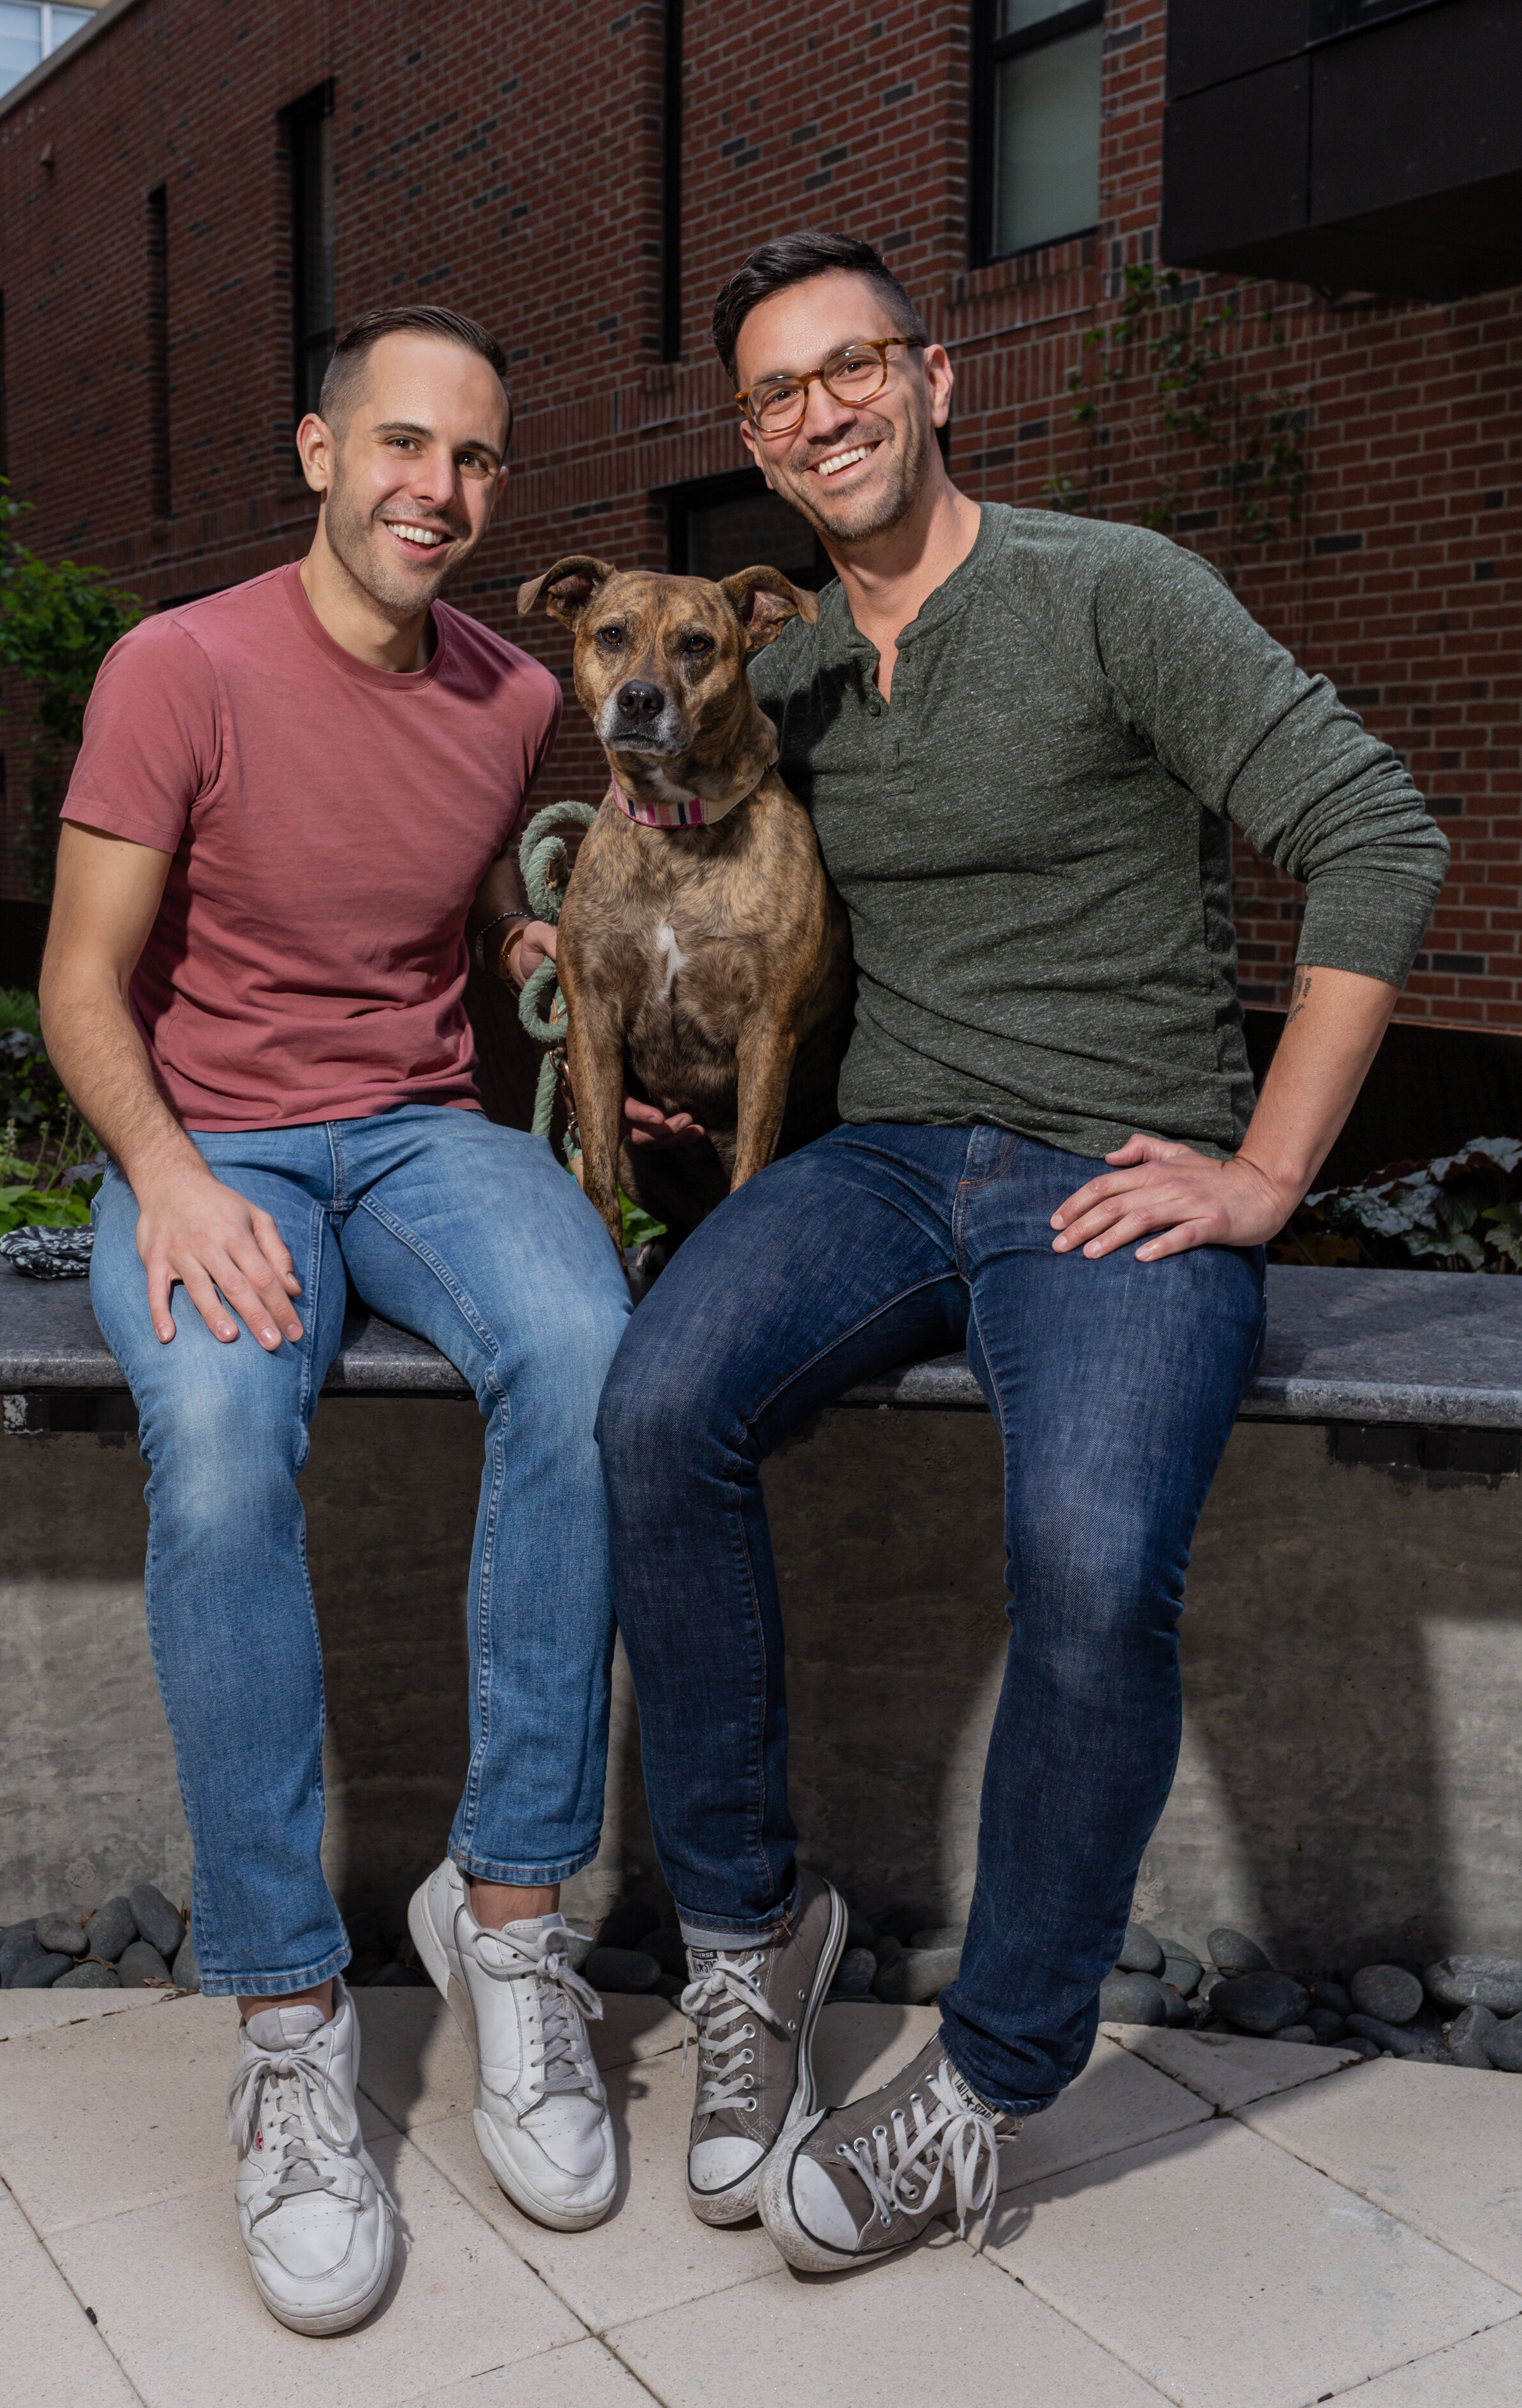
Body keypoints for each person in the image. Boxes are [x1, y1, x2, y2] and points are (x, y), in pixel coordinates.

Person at [595, 233, 1449, 2271]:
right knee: (650, 1410)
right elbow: (712, 881)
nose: (823, 411)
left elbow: (1378, 835)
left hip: (1108, 1173)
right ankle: (746, 1939)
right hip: (878, 1159)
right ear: (754, 443)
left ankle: (986, 2083)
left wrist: (1259, 1176)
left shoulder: (1109, 591)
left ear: (935, 376)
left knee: (1086, 1557)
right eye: (778, 395)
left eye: (853, 367)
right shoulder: (771, 668)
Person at [39, 304, 638, 2337]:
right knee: (216, 1448)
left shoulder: (512, 694)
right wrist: (180, 1179)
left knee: (587, 1354)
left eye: (472, 460)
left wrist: (545, 947)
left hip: (419, 1133)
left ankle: (510, 1919)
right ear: (314, 451)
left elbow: (437, 898)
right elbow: (78, 987)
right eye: (399, 446)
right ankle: (291, 2024)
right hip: (209, 1136)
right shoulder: (176, 667)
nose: (437, 494)